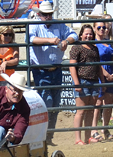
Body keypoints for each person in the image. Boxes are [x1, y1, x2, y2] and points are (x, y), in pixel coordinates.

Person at [29, 1, 77, 144]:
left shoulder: (59, 25)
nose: (48, 17)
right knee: (47, 102)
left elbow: (74, 34)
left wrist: (66, 42)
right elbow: (31, 38)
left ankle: (48, 137)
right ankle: (43, 136)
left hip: (55, 69)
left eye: (49, 14)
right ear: (40, 14)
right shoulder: (34, 25)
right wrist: (50, 40)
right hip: (41, 70)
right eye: (45, 14)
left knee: (54, 104)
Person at [69, 24, 105, 145]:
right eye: (86, 33)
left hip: (94, 81)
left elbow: (98, 66)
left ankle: (87, 137)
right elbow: (72, 66)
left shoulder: (94, 48)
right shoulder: (76, 48)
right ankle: (77, 139)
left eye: (90, 34)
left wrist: (102, 81)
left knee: (90, 110)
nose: (88, 36)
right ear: (81, 35)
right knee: (81, 111)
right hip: (83, 80)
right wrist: (76, 83)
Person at [93, 20, 113, 141]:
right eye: (99, 27)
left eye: (104, 27)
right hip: (100, 75)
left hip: (110, 75)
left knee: (109, 103)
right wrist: (106, 74)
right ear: (94, 29)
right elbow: (96, 62)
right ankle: (94, 130)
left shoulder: (108, 43)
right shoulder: (94, 44)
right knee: (98, 103)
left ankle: (105, 128)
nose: (102, 29)